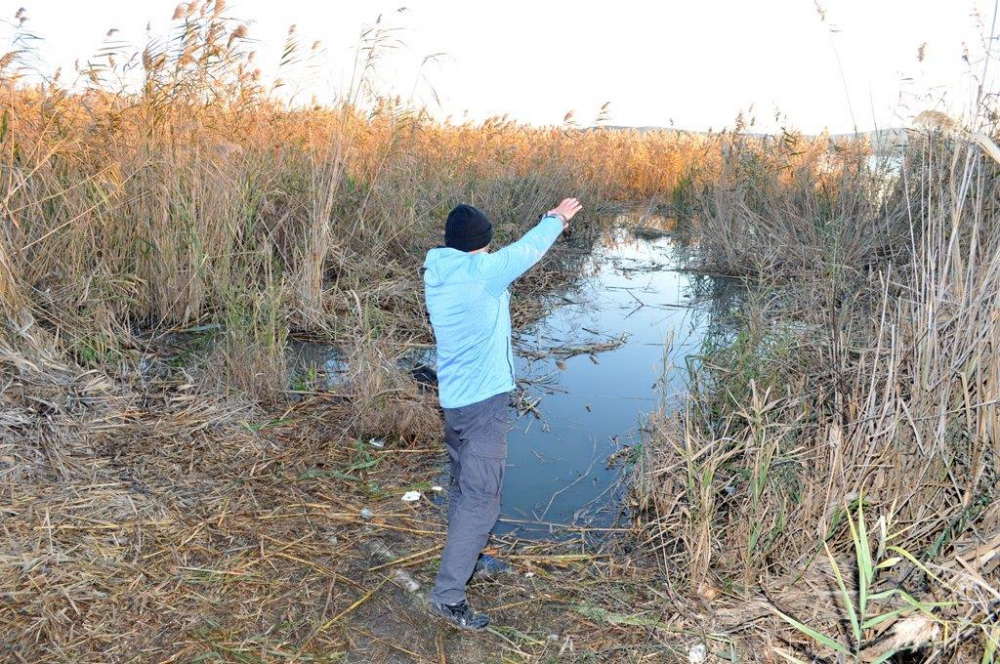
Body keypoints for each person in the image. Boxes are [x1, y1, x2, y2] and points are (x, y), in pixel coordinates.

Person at [421, 197, 583, 630]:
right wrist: (557, 218)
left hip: (455, 401)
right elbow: (528, 251)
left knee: (462, 488)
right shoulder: (482, 275)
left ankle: (469, 560)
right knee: (482, 500)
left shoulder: (440, 271)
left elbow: (509, 255)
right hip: (483, 404)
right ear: (480, 244)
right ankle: (448, 596)